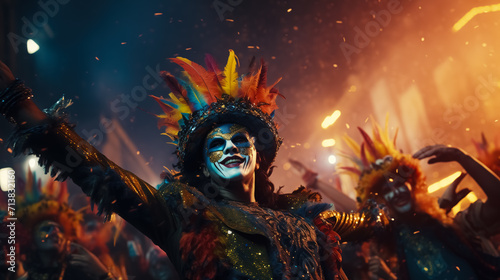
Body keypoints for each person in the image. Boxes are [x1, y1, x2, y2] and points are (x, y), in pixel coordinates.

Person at [0, 51, 383, 279]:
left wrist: (404, 190)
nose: (229, 147)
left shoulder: (305, 214)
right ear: (203, 163)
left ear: (258, 153)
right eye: (216, 144)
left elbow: (374, 220)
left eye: (238, 140)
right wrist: (20, 105)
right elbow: (100, 172)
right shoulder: (185, 215)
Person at [342, 120, 500, 279]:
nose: (396, 192)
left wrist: (461, 156)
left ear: (412, 184)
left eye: (399, 183)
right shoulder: (389, 251)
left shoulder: (453, 225)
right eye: (386, 190)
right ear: (382, 199)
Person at [14, 171, 117, 280]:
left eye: (60, 230)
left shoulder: (78, 272)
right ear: (32, 239)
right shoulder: (20, 271)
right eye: (46, 228)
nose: (55, 231)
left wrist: (103, 274)